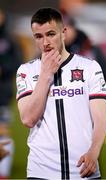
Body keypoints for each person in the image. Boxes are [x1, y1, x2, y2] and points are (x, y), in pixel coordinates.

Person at [16, 8, 106, 179]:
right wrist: (45, 75)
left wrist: (94, 152)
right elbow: (28, 119)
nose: (45, 42)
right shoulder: (26, 71)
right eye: (38, 36)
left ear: (64, 33)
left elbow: (101, 119)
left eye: (51, 34)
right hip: (41, 172)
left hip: (83, 170)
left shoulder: (90, 67)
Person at [63, 13, 106, 146]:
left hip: (90, 107)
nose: (65, 33)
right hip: (63, 110)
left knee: (90, 150)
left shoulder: (92, 49)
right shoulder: (52, 51)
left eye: (67, 28)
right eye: (61, 29)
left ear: (74, 28)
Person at [0, 9, 23, 178]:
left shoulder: (10, 40)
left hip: (2, 94)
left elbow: (18, 63)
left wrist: (3, 69)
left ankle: (3, 173)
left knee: (2, 131)